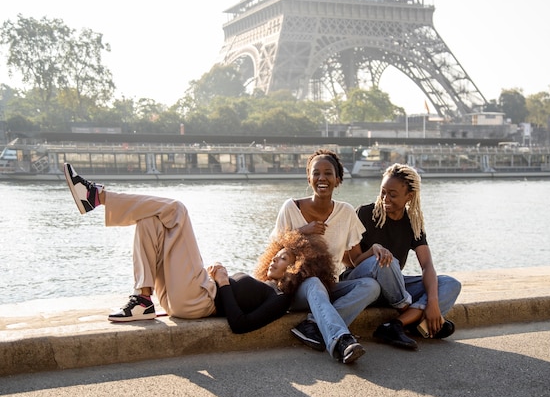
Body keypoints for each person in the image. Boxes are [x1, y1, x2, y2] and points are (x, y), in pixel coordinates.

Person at [63, 162, 335, 334]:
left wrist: (224, 283)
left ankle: (97, 196)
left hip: (198, 302)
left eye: (284, 257)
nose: (275, 259)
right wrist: (216, 276)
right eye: (276, 254)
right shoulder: (263, 280)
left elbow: (240, 325)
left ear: (298, 267)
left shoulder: (280, 299)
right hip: (188, 295)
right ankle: (143, 299)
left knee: (176, 210)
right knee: (150, 221)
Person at [271, 149, 381, 364]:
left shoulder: (346, 212)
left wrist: (375, 248)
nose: (322, 178)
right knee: (313, 283)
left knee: (371, 286)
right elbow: (274, 253)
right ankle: (341, 341)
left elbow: (355, 260)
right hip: (295, 288)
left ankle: (311, 324)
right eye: (316, 173)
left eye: (328, 173)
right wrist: (304, 231)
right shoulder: (291, 208)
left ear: (338, 180)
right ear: (309, 178)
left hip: (328, 287)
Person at [352, 163, 461, 346]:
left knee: (450, 284)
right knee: (388, 260)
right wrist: (374, 251)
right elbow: (354, 262)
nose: (385, 198)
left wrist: (433, 302)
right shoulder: (364, 213)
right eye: (383, 192)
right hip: (365, 283)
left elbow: (427, 266)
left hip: (395, 286)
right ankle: (416, 319)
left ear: (409, 197)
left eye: (393, 195)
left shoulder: (413, 222)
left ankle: (395, 325)